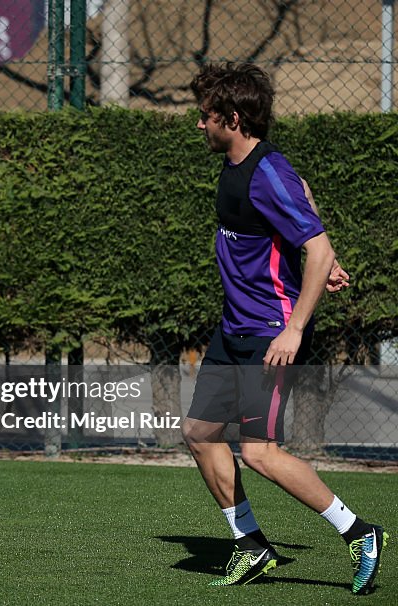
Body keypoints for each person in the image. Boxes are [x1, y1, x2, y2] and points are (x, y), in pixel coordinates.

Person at [183, 62, 385, 594]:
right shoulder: (244, 163)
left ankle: (360, 533)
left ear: (232, 117)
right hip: (234, 329)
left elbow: (312, 245)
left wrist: (295, 326)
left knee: (259, 452)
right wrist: (322, 248)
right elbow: (304, 193)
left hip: (271, 332)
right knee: (200, 434)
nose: (198, 125)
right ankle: (250, 546)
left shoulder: (266, 170)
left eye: (205, 116)